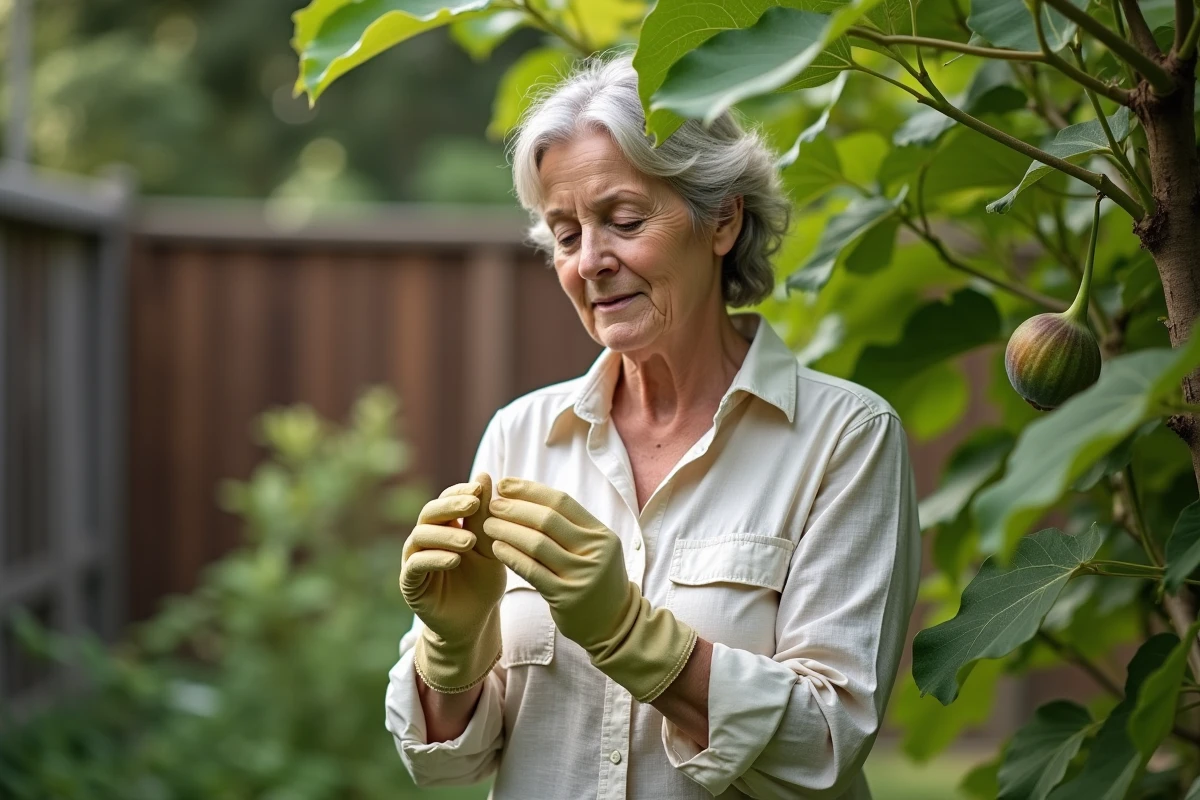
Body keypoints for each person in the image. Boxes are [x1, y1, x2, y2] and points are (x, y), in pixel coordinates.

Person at [385, 51, 921, 800]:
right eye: (566, 234)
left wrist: (628, 633)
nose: (592, 261)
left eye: (624, 220)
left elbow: (828, 746)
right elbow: (446, 764)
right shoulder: (521, 436)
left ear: (722, 219)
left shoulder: (846, 437)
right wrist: (450, 647)